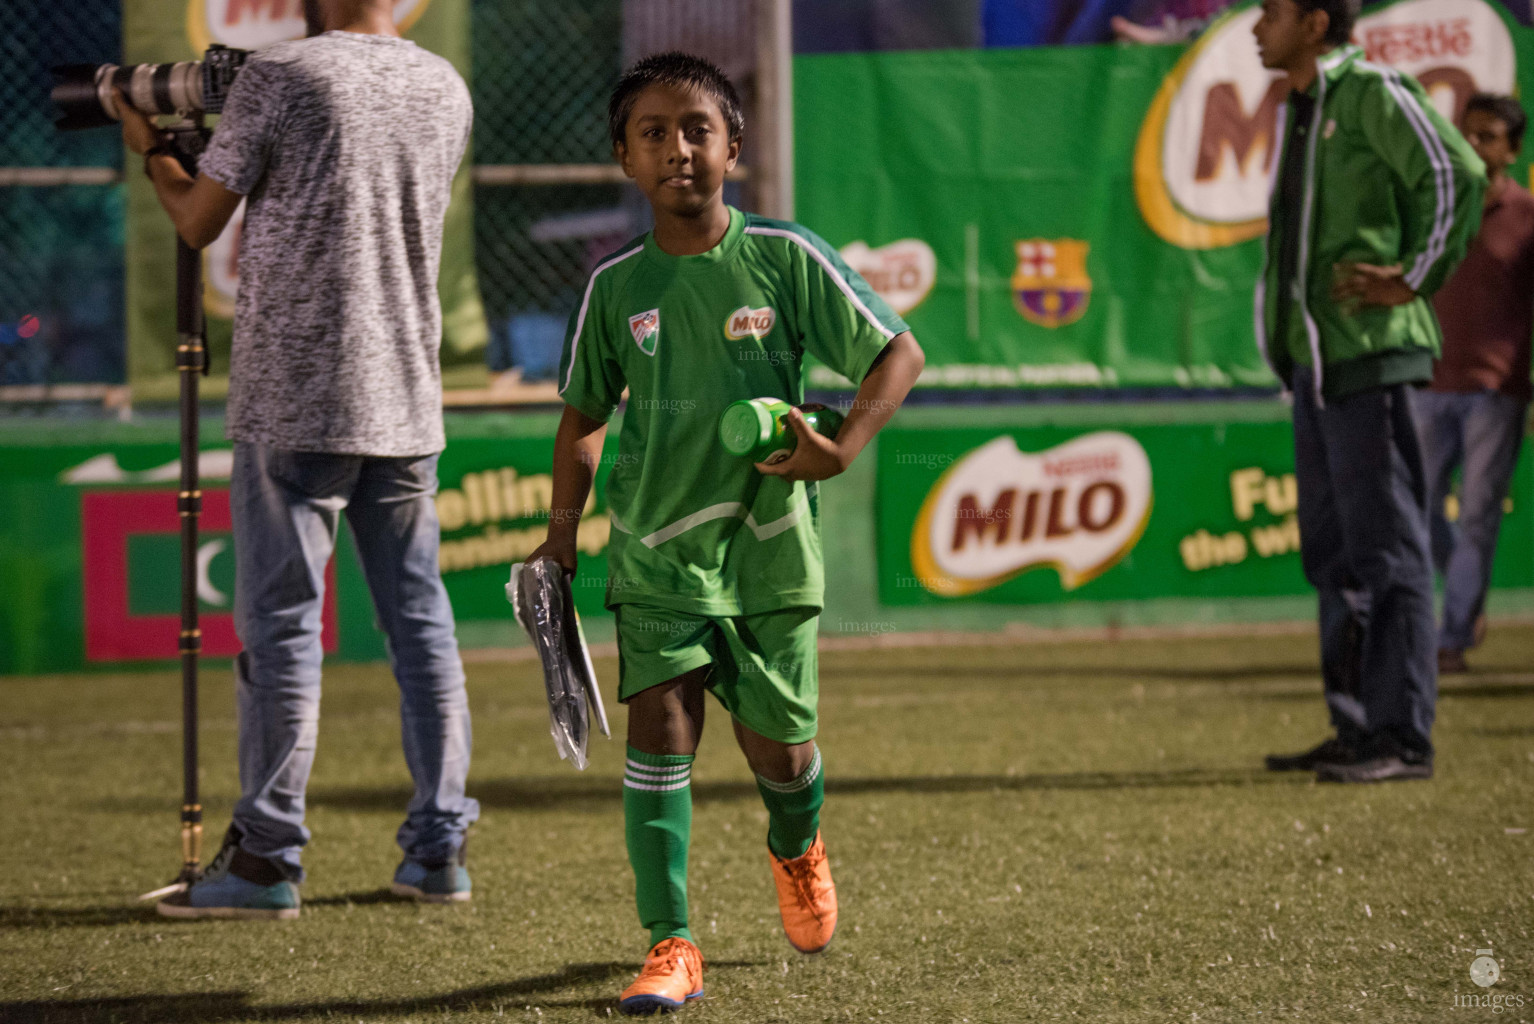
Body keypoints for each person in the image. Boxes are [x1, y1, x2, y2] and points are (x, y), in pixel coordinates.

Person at [528, 53, 924, 1014]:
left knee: (780, 753)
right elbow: (582, 420)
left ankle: (798, 845)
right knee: (660, 731)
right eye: (653, 133)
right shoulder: (616, 287)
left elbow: (897, 352)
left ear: (734, 147)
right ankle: (670, 943)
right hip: (658, 554)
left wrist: (841, 447)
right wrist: (561, 536)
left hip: (772, 552)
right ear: (624, 156)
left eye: (697, 129)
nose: (678, 149)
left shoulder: (785, 256)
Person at [119, 0, 480, 918]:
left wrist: (151, 145)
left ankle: (267, 859)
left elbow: (199, 222)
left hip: (296, 395)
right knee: (422, 628)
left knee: (282, 628)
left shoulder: (284, 76)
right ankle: (438, 849)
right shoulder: (445, 83)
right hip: (404, 393)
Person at [1251, 0, 1484, 783]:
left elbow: (1458, 170)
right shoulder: (1308, 106)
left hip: (1371, 358)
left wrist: (1415, 277)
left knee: (1389, 553)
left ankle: (1402, 737)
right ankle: (1356, 726)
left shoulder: (1373, 91)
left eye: (1270, 12)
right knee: (1336, 556)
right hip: (1318, 365)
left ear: (1316, 23)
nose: (1256, 26)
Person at [1415, 94, 1534, 675]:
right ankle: (1460, 605)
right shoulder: (1436, 207)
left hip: (1497, 389)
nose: (1475, 145)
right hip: (1427, 382)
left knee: (1481, 513)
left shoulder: (1528, 216)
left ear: (1512, 150)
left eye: (1489, 136)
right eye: (1468, 133)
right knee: (1418, 504)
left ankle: (1454, 635)